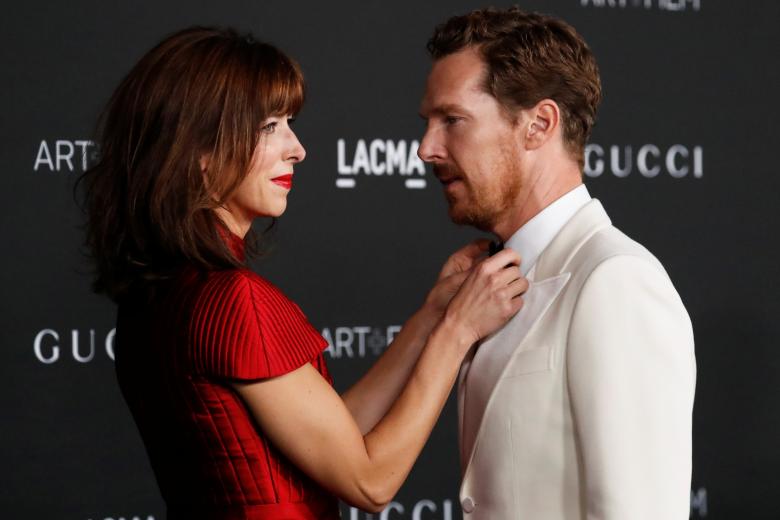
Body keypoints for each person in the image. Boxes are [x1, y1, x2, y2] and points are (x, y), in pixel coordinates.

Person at [79, 26, 528, 520]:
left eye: (288, 122)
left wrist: (429, 319)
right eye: (269, 126)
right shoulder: (233, 299)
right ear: (201, 151)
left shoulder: (161, 293)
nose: (297, 149)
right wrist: (457, 331)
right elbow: (370, 481)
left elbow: (330, 441)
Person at [417, 7, 696, 520]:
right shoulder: (493, 278)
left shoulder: (615, 280)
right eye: (429, 123)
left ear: (539, 124)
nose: (426, 149)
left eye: (452, 120)